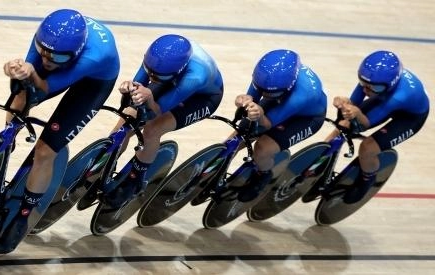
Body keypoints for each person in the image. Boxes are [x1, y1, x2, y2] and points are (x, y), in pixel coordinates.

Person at [0, 9, 120, 253]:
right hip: (65, 53)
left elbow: (43, 86)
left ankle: (25, 213)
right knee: (21, 92)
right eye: (44, 52)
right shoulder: (49, 39)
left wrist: (34, 72)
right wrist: (13, 68)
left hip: (93, 83)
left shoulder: (94, 56)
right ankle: (4, 146)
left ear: (74, 53)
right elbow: (29, 74)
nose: (48, 61)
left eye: (57, 59)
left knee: (44, 152)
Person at [100, 34, 224, 208]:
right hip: (170, 76)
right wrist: (129, 88)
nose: (152, 78)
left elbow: (157, 110)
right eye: (149, 72)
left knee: (153, 129)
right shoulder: (156, 60)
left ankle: (134, 181)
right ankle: (105, 162)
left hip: (202, 98)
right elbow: (138, 87)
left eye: (157, 76)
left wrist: (149, 97)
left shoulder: (195, 76)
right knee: (128, 115)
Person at [325, 50, 429, 204]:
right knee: (344, 125)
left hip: (409, 118)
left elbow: (365, 123)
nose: (366, 90)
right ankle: (323, 154)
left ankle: (367, 180)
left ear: (389, 85)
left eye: (374, 88)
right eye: (363, 84)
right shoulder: (372, 80)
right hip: (386, 98)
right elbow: (353, 105)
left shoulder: (399, 96)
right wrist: (344, 104)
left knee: (368, 148)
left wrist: (356, 113)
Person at [228, 49, 327, 203]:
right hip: (281, 98)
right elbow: (252, 99)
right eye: (261, 89)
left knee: (262, 149)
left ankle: (263, 175)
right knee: (237, 137)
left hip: (306, 118)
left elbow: (267, 123)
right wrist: (243, 101)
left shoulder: (304, 93)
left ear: (290, 85)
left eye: (269, 93)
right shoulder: (266, 78)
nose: (264, 95)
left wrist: (259, 114)